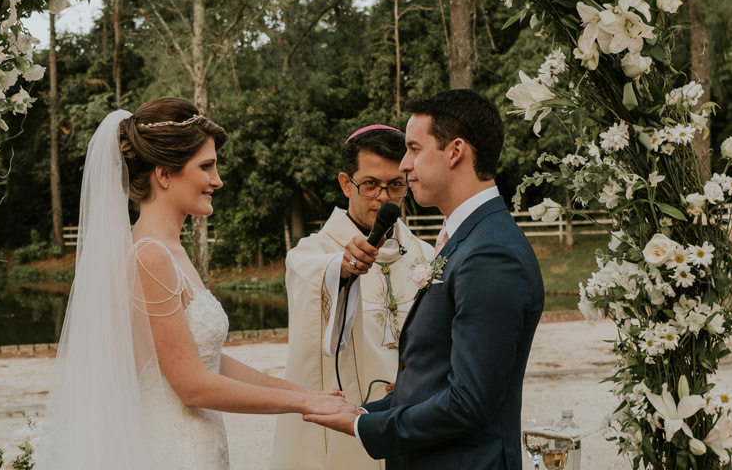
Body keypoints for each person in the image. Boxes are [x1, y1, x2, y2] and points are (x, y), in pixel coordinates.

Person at [36, 98, 356, 470]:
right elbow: (191, 386)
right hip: (171, 450)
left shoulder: (170, 250)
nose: (217, 180)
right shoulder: (149, 256)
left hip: (197, 443)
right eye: (206, 166)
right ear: (165, 173)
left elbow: (207, 360)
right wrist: (303, 405)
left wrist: (307, 393)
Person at [304, 89, 545, 469]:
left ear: (455, 151)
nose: (403, 165)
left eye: (414, 149)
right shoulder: (465, 238)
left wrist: (364, 427)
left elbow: (469, 403)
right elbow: (437, 378)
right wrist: (363, 412)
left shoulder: (491, 253)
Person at [270, 125, 436, 470]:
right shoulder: (312, 253)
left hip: (411, 417)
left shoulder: (426, 255)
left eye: (395, 185)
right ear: (347, 183)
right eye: (370, 184)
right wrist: (340, 268)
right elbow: (308, 273)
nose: (383, 197)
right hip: (342, 435)